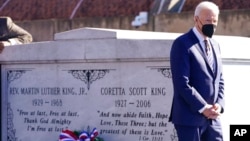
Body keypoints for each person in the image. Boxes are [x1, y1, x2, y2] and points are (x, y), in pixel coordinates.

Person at [169, 1, 225, 141]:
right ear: (196, 19)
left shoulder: (215, 44)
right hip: (190, 119)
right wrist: (203, 107)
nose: (211, 24)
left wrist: (219, 105)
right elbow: (182, 83)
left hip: (213, 119)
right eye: (207, 20)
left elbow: (219, 79)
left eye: (214, 21)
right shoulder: (182, 44)